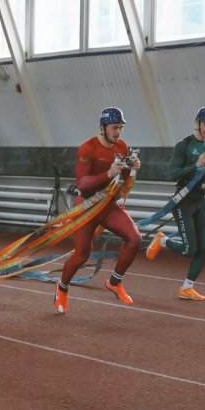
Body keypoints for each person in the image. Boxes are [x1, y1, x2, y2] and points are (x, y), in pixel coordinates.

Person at [54, 107, 142, 315]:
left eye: (120, 127)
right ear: (103, 127)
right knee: (81, 255)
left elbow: (123, 176)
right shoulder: (88, 148)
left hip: (107, 205)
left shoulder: (122, 146)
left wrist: (132, 168)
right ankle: (62, 287)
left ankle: (115, 282)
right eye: (114, 127)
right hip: (87, 206)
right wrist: (108, 174)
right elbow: (82, 184)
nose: (118, 132)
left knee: (135, 239)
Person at [145, 106, 205, 301]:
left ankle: (187, 288)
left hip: (199, 201)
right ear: (197, 123)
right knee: (190, 249)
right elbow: (172, 174)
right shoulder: (184, 145)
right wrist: (195, 165)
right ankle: (162, 240)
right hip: (183, 202)